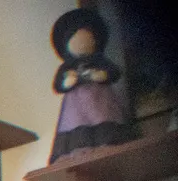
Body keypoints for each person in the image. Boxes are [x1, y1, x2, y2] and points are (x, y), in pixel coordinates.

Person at [49, 8, 133, 160]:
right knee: (77, 121)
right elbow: (57, 85)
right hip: (76, 104)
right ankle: (78, 148)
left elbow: (113, 72)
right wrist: (68, 82)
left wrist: (102, 75)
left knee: (103, 117)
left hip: (100, 98)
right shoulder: (67, 67)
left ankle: (107, 142)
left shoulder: (99, 61)